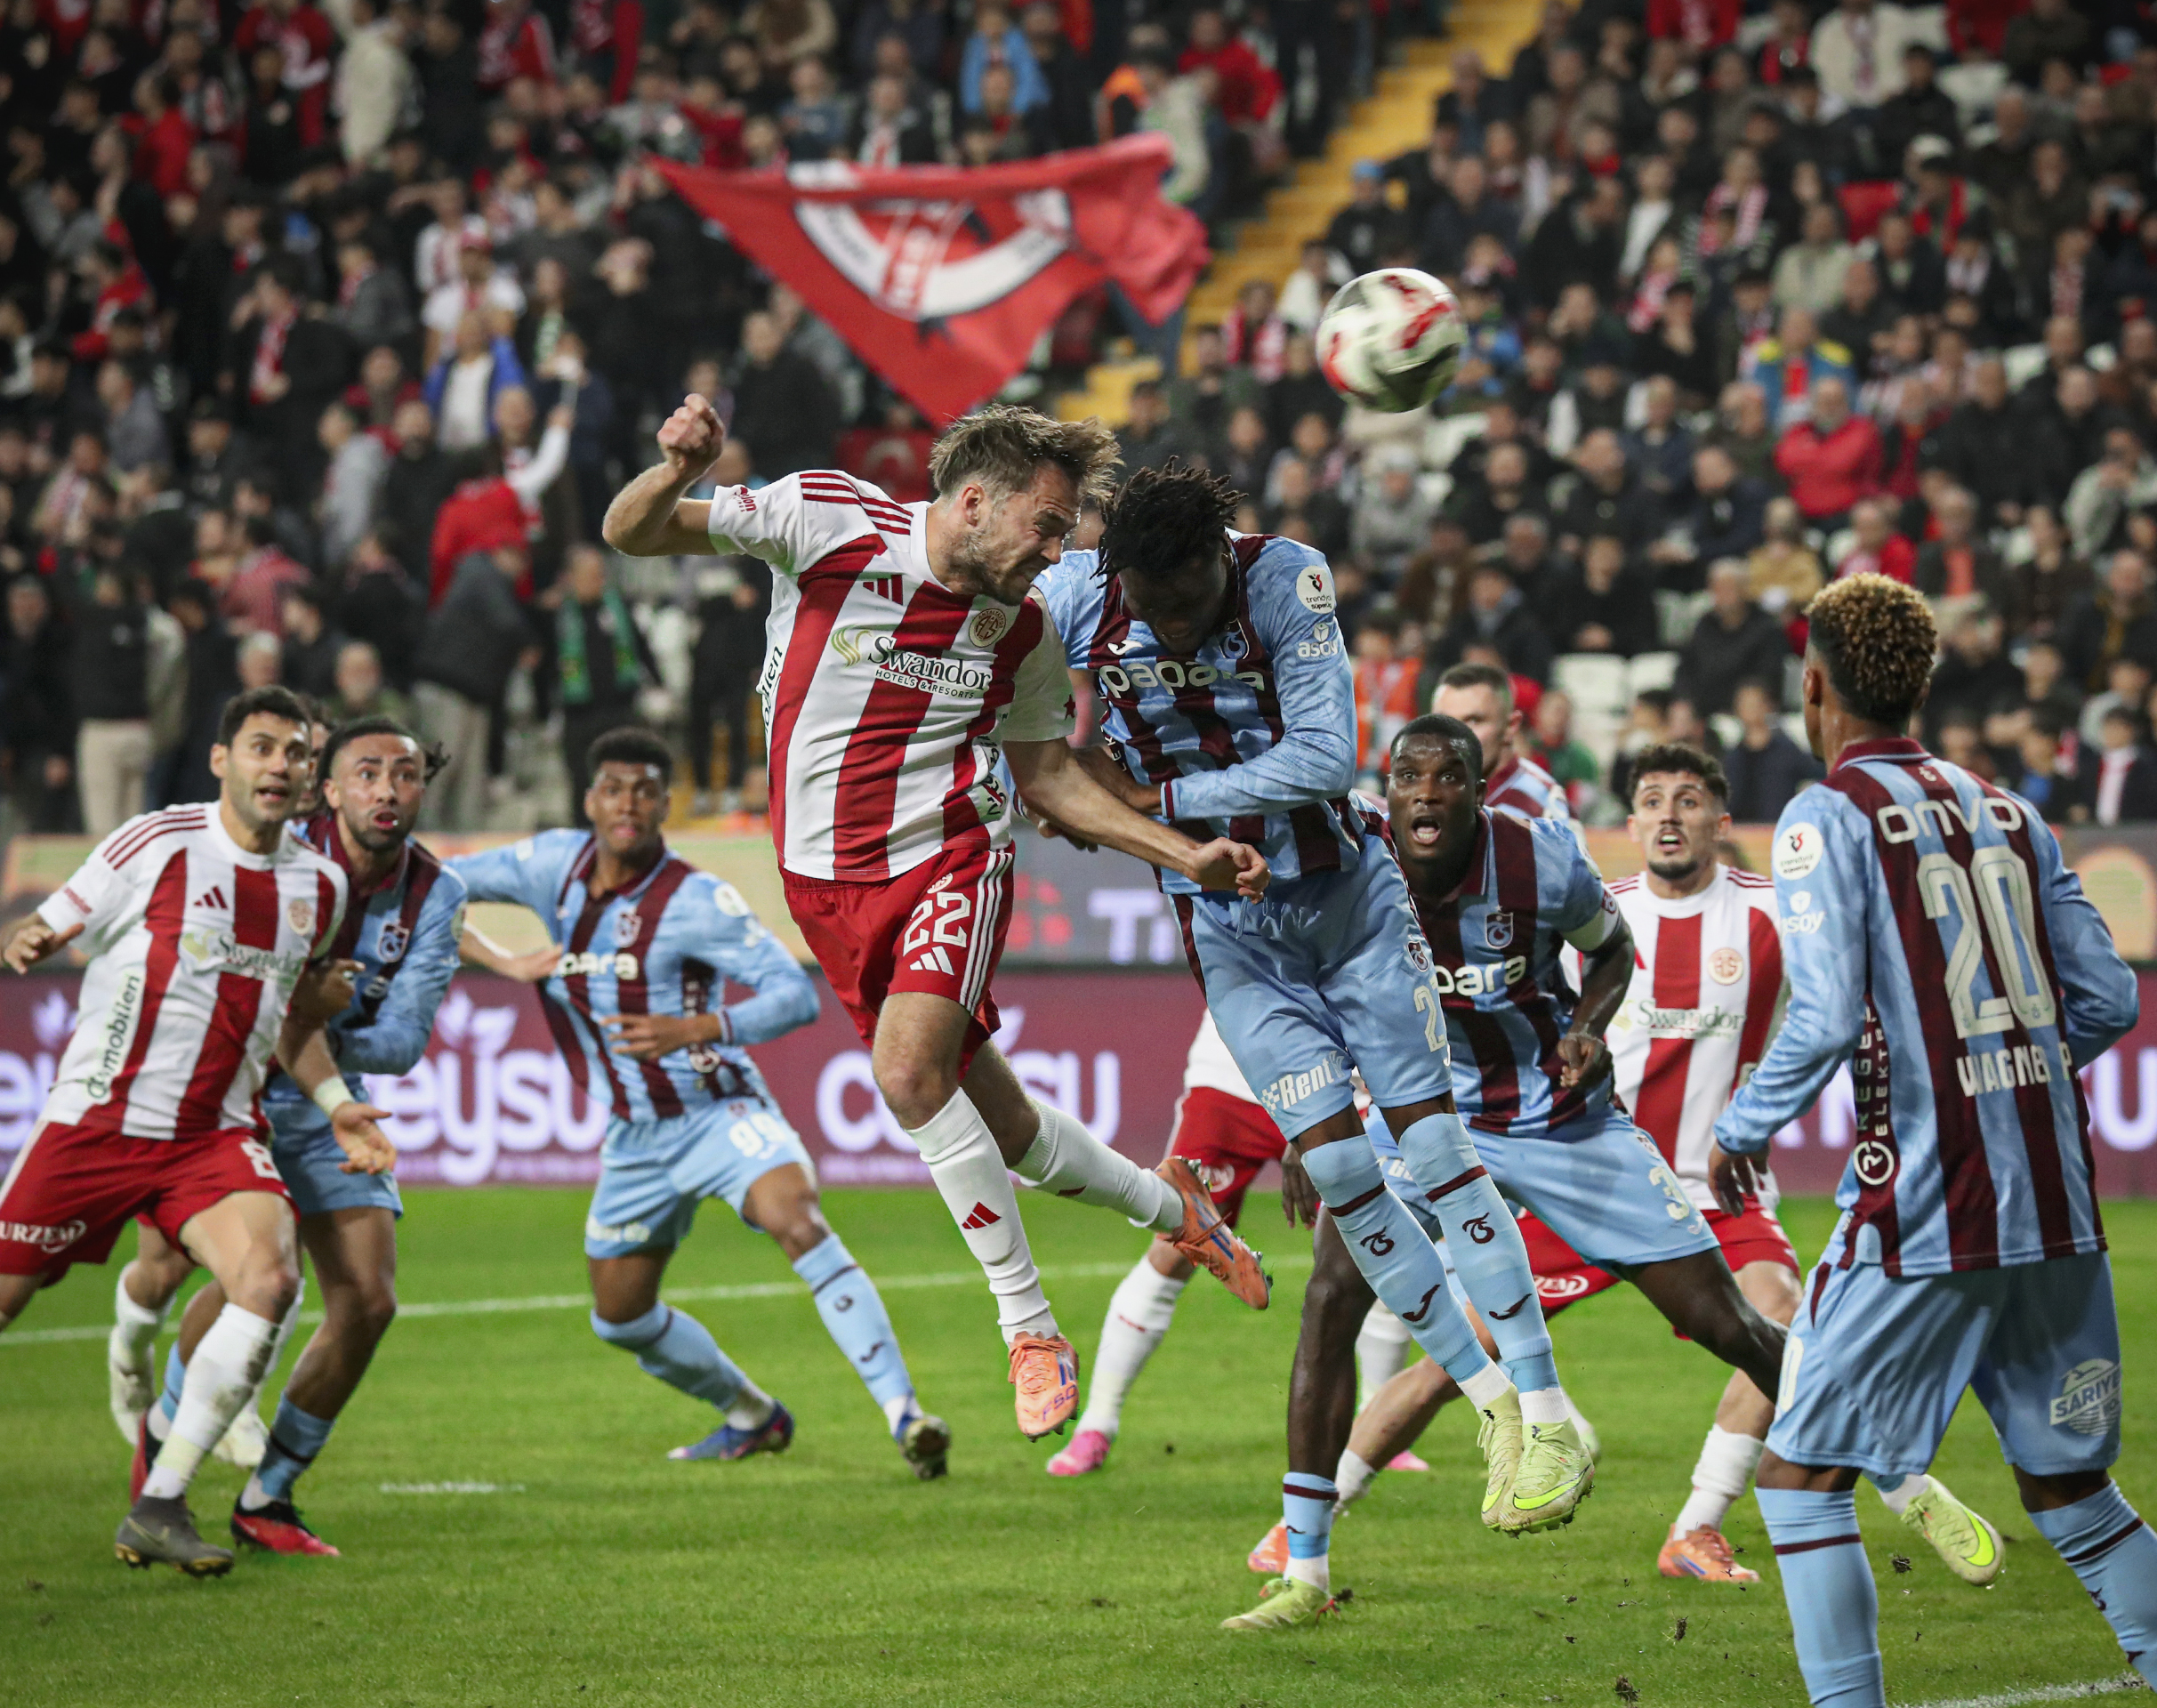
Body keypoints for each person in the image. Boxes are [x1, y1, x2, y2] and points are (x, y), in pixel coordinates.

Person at [600, 399, 1272, 1443]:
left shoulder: (1026, 626)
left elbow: (1047, 776)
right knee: (1010, 1132)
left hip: (951, 854)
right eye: (1047, 527)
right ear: (972, 502)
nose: (1057, 554)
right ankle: (1177, 1211)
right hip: (821, 885)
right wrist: (676, 467)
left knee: (909, 1076)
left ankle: (1031, 1328)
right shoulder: (825, 520)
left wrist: (1185, 856)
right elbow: (635, 533)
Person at [1042, 468, 1592, 1633]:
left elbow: (1326, 758)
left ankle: (1547, 1415)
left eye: (1190, 591)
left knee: (1433, 1153)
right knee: (1340, 1174)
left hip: (1348, 905)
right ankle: (1494, 1403)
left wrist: (1157, 793)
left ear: (1217, 555)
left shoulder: (1284, 576)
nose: (1176, 617)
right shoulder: (1078, 598)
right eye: (1154, 595)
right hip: (1233, 936)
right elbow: (1016, 703)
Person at [1229, 716, 1786, 1625]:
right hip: (1418, 1112)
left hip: (1555, 1122)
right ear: (1390, 788)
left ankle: (1879, 1448)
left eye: (1448, 777)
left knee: (1723, 1323)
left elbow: (1611, 950)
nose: (1425, 794)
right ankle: (1304, 1566)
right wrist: (1306, 1130)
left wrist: (1585, 1030)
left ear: (1477, 792)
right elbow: (1311, 991)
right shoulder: (1347, 859)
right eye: (1408, 777)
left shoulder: (1538, 860)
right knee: (1331, 1296)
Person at [1712, 573, 2157, 1706]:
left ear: (1811, 685)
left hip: (1925, 1209)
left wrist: (1740, 1128)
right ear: (1918, 683)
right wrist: (2008, 1073)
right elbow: (2104, 997)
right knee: (2072, 1496)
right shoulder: (2007, 808)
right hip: (2057, 1203)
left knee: (1800, 1479)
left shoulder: (1826, 814)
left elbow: (1816, 1015)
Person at [452, 727, 954, 1475]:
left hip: (719, 1110)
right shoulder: (549, 865)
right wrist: (498, 958)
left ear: (663, 805)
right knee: (620, 1317)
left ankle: (904, 1414)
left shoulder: (695, 899)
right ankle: (752, 1414)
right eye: (615, 788)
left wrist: (702, 1026)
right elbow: (435, 883)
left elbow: (793, 995)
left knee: (798, 1219)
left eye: (648, 790)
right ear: (590, 799)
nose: (630, 804)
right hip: (634, 1136)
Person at [0, 686, 396, 1575]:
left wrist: (338, 1106)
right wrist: (32, 934)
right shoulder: (158, 842)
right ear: (223, 760)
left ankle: (161, 1502)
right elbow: (51, 921)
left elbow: (294, 1022)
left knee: (269, 1276)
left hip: (212, 1137)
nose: (281, 766)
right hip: (96, 1123)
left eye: (296, 753)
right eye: (262, 748)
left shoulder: (320, 886)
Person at [1603, 743, 2004, 1584]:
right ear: (1629, 820)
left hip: (1717, 1187)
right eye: (1651, 799)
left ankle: (1694, 1527)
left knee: (1781, 1323)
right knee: (1464, 1354)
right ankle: (1305, 1528)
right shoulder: (1595, 920)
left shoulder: (1769, 914)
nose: (1667, 814)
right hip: (1596, 1182)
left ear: (1720, 818)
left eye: (1687, 798)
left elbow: (1851, 988)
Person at [108, 717, 466, 1557]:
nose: (387, 790)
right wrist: (293, 1010)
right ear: (329, 789)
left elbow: (404, 1040)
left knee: (368, 1298)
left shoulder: (435, 895)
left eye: (405, 775)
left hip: (324, 1107)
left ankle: (269, 1494)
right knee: (234, 1281)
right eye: (367, 773)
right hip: (222, 1095)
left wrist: (314, 1023)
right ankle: (161, 1444)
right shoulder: (269, 855)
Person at [1431, 661, 1569, 820]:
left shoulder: (1543, 804)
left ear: (1510, 726)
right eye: (1443, 721)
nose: (1455, 735)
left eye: (1474, 720)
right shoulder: (1414, 796)